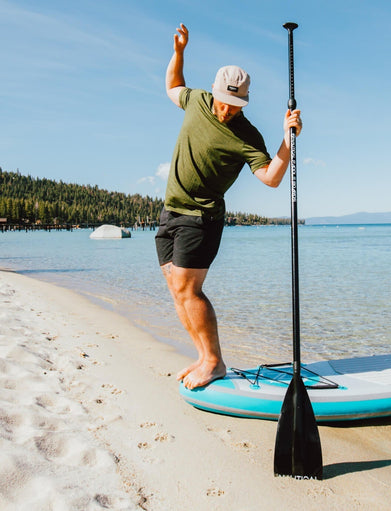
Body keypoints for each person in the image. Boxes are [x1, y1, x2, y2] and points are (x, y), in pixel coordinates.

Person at [155, 23, 303, 390]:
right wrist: (179, 52)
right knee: (176, 290)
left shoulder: (247, 135)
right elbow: (173, 85)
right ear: (215, 91)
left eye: (237, 104)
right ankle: (204, 355)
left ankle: (216, 362)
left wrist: (287, 139)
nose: (228, 109)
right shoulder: (197, 101)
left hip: (201, 217)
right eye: (225, 100)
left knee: (189, 289)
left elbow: (270, 177)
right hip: (170, 210)